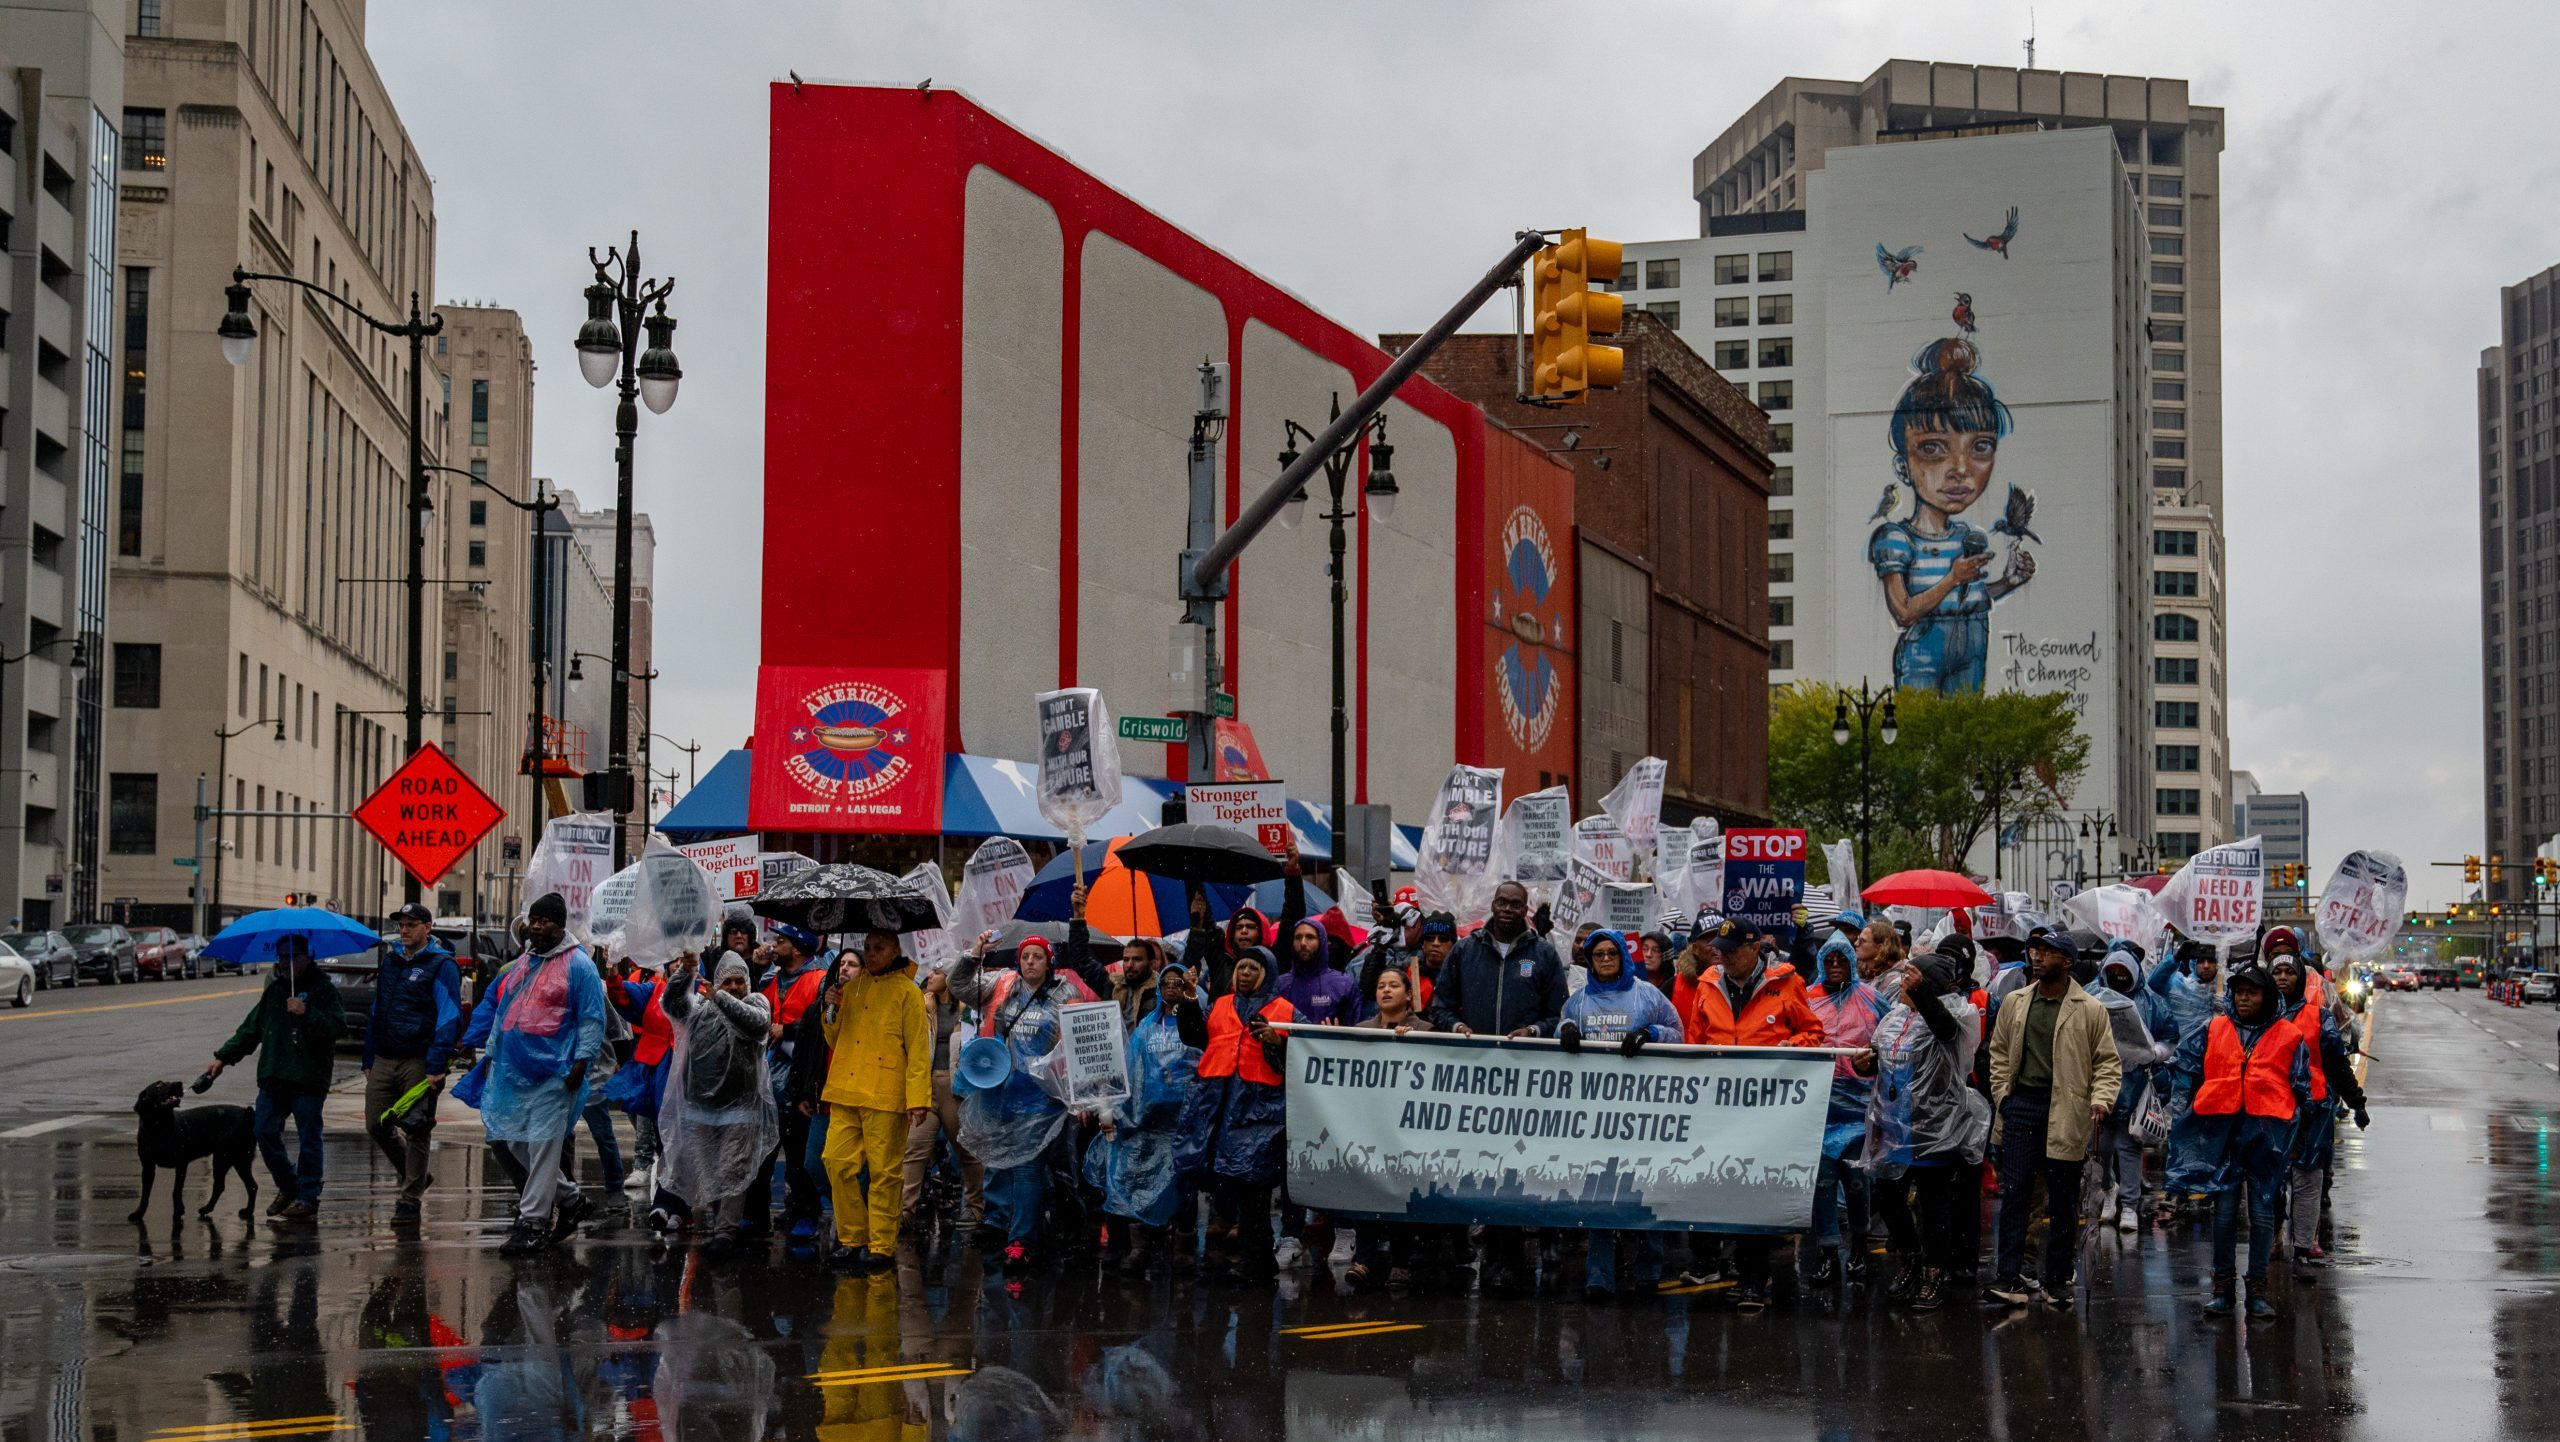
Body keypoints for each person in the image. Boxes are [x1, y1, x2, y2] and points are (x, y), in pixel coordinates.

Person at [1423, 880, 1566, 1294]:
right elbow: (1441, 1005)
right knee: (1478, 1162)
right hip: (1475, 1075)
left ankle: (1510, 1262)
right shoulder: (1466, 950)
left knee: (1513, 1166)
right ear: (1492, 904)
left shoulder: (1542, 954)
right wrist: (1457, 1026)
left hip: (1524, 1078)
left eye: (1515, 904)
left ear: (1525, 909)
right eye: (1501, 902)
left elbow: (1559, 1013)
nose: (1507, 909)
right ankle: (1480, 1259)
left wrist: (1536, 1030)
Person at [1682, 918, 1824, 1309]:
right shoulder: (1709, 984)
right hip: (1718, 1105)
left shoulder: (1787, 982)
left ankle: (1752, 1280)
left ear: (1753, 949)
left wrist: (1792, 1047)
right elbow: (1694, 1041)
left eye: (1731, 952)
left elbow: (1813, 1032)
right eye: (1720, 952)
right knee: (1717, 1186)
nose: (1723, 958)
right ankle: (1714, 1261)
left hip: (1767, 1107)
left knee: (1753, 1190)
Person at [2167, 959, 2312, 1319]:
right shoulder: (2213, 1028)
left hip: (2267, 1138)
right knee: (2225, 1214)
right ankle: (2222, 1289)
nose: (2245, 999)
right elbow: (2184, 1065)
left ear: (2266, 996)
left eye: (2252, 993)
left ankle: (2257, 1291)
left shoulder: (2289, 1035)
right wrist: (2181, 1115)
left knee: (2263, 1215)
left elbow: (2302, 1088)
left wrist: (2295, 1137)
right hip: (2223, 1133)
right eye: (2239, 992)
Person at [1984, 928, 2122, 1307]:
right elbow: (1998, 1052)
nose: (2037, 957)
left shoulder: (2090, 1009)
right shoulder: (2015, 1001)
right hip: (2021, 1106)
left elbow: (2107, 1063)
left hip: (2067, 1110)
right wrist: (2003, 1096)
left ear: (2067, 961)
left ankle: (2056, 1279)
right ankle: (2008, 1276)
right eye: (2034, 950)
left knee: (2063, 1201)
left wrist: (2101, 1100)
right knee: (2016, 1195)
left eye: (2047, 952)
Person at [950, 929, 1098, 1271]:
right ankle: (998, 1222)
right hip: (1000, 1091)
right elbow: (959, 984)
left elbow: (1080, 1047)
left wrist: (1084, 1098)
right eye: (1026, 957)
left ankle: (1021, 1240)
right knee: (998, 1160)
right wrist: (975, 951)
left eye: (1038, 957)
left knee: (1029, 1169)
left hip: (1041, 1099)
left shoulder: (1066, 994)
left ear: (1050, 963)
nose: (1030, 962)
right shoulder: (1001, 985)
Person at [1855, 948, 1989, 1312]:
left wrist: (1923, 994)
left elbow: (1945, 1031)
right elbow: (1886, 1061)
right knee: (1888, 1196)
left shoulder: (1957, 1015)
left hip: (1933, 1127)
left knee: (1934, 1208)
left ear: (1926, 985)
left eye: (1910, 977)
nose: (1901, 982)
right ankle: (1912, 1258)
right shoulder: (1896, 1017)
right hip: (1894, 1126)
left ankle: (1934, 1272)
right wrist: (1867, 1063)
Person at [1559, 929, 1684, 1301]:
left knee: (1644, 1190)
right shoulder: (1578, 1002)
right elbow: (1563, 1024)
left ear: (1623, 957)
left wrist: (1650, 1033)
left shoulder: (1647, 994)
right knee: (1597, 1193)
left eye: (1613, 952)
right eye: (1599, 954)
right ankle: (1599, 1276)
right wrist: (1564, 1030)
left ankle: (1648, 1271)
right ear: (1590, 959)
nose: (1606, 959)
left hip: (1642, 1112)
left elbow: (1678, 1032)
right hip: (1595, 1113)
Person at [481, 893, 610, 1255]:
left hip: (557, 1071)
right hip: (517, 1071)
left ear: (560, 924)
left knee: (542, 1146)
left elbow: (591, 1018)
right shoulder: (525, 963)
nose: (536, 927)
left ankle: (533, 1222)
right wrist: (492, 1053)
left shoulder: (579, 965)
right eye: (533, 920)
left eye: (544, 921)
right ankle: (571, 1200)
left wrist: (580, 1064)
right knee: (513, 1139)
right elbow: (504, 1011)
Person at [1175, 946, 1295, 1283]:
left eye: (1252, 968)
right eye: (1240, 967)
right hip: (1218, 1105)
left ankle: (1256, 1259)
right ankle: (1250, 1259)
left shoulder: (1285, 1010)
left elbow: (1301, 1056)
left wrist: (1277, 1041)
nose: (1243, 973)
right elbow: (1195, 1036)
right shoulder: (1220, 1004)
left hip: (1259, 1109)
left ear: (1266, 973)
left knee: (1254, 1190)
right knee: (1227, 1183)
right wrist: (1187, 1002)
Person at [205, 935, 345, 1223]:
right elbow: (251, 1029)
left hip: (308, 1077)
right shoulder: (275, 992)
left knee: (309, 1137)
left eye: (291, 957)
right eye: (281, 957)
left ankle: (308, 1196)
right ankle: (289, 1184)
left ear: (308, 957)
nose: (285, 962)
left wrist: (307, 1013)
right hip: (274, 1075)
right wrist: (223, 1058)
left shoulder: (324, 990)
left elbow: (336, 1027)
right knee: (264, 1130)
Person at [817, 929, 933, 1272]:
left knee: (884, 1173)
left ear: (895, 950)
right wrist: (830, 1008)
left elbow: (918, 1050)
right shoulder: (849, 989)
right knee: (836, 1162)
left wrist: (918, 1099)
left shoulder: (908, 993)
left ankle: (881, 1244)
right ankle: (853, 1238)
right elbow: (833, 1037)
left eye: (878, 948)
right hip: (846, 1090)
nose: (870, 953)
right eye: (867, 948)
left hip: (885, 1094)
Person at [656, 953, 780, 1259]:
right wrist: (686, 971)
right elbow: (670, 1003)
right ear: (718, 980)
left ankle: (726, 1232)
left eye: (740, 981)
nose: (735, 987)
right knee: (710, 1172)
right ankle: (718, 1228)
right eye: (728, 981)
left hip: (742, 1108)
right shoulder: (699, 1009)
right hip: (701, 1107)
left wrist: (720, 996)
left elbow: (757, 1024)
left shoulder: (757, 1002)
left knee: (734, 1170)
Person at [1086, 952, 1203, 1276]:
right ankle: (1141, 1247)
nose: (1170, 988)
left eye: (1177, 983)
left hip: (1183, 1119)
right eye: (1165, 982)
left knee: (1183, 1182)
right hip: (1148, 1119)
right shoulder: (1145, 1028)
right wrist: (1117, 1110)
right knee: (1141, 1176)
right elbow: (1130, 1069)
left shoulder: (1194, 1021)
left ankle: (1183, 1245)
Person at [2265, 936, 2370, 1280]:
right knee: (2269, 1180)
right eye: (2275, 971)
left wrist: (2356, 1103)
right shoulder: (2256, 1015)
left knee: (2308, 1180)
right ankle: (2275, 1234)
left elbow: (2338, 1066)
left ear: (2299, 977)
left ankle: (2302, 1249)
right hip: (2269, 1110)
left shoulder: (2319, 1016)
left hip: (2312, 1111)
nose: (2282, 977)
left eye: (2288, 971)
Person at [363, 903, 463, 1224]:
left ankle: (410, 1198)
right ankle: (416, 1175)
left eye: (411, 925)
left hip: (419, 1059)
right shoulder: (391, 960)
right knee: (376, 1124)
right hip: (385, 1055)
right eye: (401, 925)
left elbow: (449, 1016)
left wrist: (437, 1064)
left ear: (427, 928)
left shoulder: (441, 964)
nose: (404, 930)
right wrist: (368, 1055)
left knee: (418, 1127)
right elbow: (378, 1010)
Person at [1345, 964, 1438, 1288]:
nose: (1386, 990)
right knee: (1367, 1190)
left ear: (1408, 995)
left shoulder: (1424, 1029)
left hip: (1407, 1129)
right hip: (1371, 1126)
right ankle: (1364, 1259)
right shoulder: (1362, 1030)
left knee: (1399, 1193)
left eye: (1393, 985)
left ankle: (1401, 1261)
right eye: (1381, 985)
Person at [1804, 930, 1887, 1287]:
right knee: (1822, 1183)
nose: (1835, 966)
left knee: (1857, 1183)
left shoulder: (1871, 999)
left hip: (1858, 1107)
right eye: (1829, 960)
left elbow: (1890, 1040)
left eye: (1842, 959)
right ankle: (1827, 1254)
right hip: (1818, 1106)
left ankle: (1859, 1248)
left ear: (1852, 963)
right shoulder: (1806, 1000)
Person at [745, 924, 830, 1243]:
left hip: (800, 1085)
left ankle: (806, 1214)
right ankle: (754, 1215)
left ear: (796, 949)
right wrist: (756, 967)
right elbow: (749, 1010)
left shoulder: (820, 981)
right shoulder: (770, 979)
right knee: (761, 1156)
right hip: (767, 1084)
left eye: (780, 941)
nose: (773, 945)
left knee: (799, 1157)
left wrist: (788, 1030)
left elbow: (824, 1024)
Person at [900, 960, 986, 1234]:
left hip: (956, 1088)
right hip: (925, 1086)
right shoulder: (922, 1005)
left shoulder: (971, 1009)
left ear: (949, 977)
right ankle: (904, 1213)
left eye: (937, 972)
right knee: (914, 1150)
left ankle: (975, 1207)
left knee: (967, 1151)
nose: (930, 976)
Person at [2093, 946, 2170, 1235]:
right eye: (2113, 973)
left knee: (2128, 1146)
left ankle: (2129, 1205)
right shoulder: (2093, 994)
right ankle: (2108, 1191)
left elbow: (2170, 1035)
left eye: (2123, 973)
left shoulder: (2151, 1002)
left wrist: (2154, 1053)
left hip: (2134, 1084)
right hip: (2098, 1081)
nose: (2118, 977)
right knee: (2099, 1147)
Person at [1274, 916, 1361, 1026]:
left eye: (1310, 937)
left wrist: (1339, 1035)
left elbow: (1355, 1030)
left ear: (1322, 942)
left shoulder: (1344, 984)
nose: (1303, 943)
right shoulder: (1280, 984)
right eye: (1298, 937)